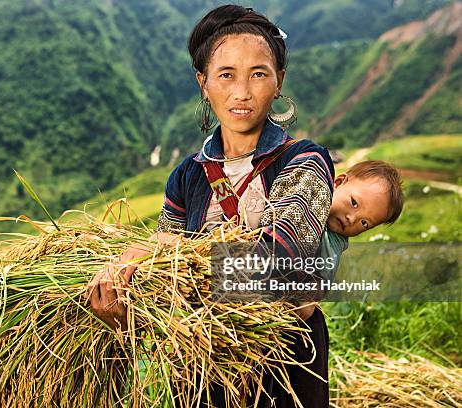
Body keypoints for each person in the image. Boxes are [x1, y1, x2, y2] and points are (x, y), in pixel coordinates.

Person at [89, 4, 337, 407]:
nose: (242, 93)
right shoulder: (187, 177)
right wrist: (125, 305)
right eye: (226, 75)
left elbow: (279, 264)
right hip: (204, 369)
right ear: (203, 82)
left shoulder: (304, 163)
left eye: (258, 74)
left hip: (286, 366)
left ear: (279, 82)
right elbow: (166, 288)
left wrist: (170, 252)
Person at [316, 160, 404, 282]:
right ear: (338, 183)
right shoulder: (312, 195)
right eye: (354, 203)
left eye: (364, 223)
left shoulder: (331, 244)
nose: (351, 219)